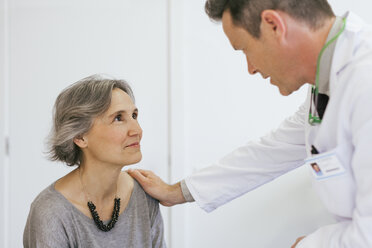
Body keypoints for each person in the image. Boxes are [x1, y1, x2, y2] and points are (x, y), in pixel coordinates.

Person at [128, 0, 372, 247]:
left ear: (273, 25)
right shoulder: (330, 81)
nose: (251, 68)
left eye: (244, 48)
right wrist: (177, 192)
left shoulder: (365, 82)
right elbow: (271, 151)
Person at [24, 75, 166, 248]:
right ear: (80, 136)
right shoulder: (51, 212)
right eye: (118, 118)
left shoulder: (144, 194)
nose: (137, 130)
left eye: (134, 115)